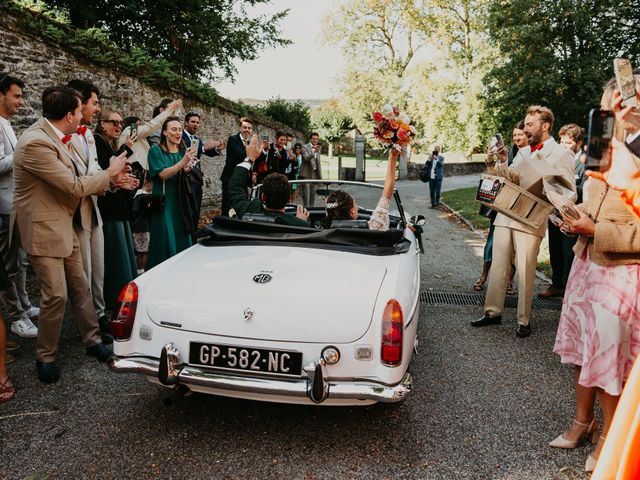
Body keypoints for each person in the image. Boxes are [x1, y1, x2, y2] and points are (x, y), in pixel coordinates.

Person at [12, 85, 132, 383]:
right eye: (81, 110)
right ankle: (46, 356)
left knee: (81, 286)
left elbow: (82, 177)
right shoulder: (35, 143)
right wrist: (112, 171)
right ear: (69, 115)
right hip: (43, 228)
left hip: (68, 221)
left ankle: (92, 340)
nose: (86, 114)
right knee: (56, 295)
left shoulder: (59, 135)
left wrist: (111, 182)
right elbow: (74, 186)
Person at [550, 78, 640, 473]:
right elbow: (595, 198)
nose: (621, 106)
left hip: (623, 272)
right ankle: (581, 422)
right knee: (583, 349)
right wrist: (575, 217)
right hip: (587, 264)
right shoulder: (605, 147)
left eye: (628, 98)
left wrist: (597, 230)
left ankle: (609, 437)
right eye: (613, 100)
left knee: (609, 360)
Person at [472, 105, 575, 338]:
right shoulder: (523, 150)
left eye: (530, 124)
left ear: (545, 125)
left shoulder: (562, 153)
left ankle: (524, 320)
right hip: (505, 215)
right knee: (498, 267)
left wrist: (545, 179)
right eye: (525, 124)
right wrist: (494, 164)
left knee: (525, 272)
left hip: (531, 219)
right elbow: (510, 176)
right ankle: (492, 313)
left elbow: (569, 191)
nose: (525, 128)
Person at [66, 79, 109, 340]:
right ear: (80, 103)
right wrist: (108, 178)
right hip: (75, 213)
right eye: (94, 103)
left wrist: (113, 179)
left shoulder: (89, 135)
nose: (98, 108)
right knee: (84, 273)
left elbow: (94, 172)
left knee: (99, 269)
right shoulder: (64, 136)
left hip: (94, 206)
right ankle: (88, 324)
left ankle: (101, 315)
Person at [0, 73, 39, 340]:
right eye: (16, 95)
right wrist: (22, 152)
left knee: (19, 262)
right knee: (8, 265)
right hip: (2, 207)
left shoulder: (7, 124)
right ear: (0, 95)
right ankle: (16, 317)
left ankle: (23, 305)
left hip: (14, 205)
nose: (21, 102)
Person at [94, 110, 138, 311]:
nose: (118, 126)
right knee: (115, 255)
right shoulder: (97, 141)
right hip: (109, 207)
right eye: (114, 122)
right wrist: (126, 150)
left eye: (120, 123)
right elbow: (106, 168)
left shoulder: (109, 144)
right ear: (102, 124)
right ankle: (115, 298)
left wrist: (125, 169)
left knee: (124, 252)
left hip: (119, 205)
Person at [539, 123, 586, 298]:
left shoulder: (585, 163)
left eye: (568, 143)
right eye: (562, 142)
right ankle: (556, 284)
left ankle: (568, 289)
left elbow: (584, 189)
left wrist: (569, 190)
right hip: (555, 213)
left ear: (579, 142)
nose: (564, 146)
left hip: (574, 216)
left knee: (569, 253)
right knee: (555, 250)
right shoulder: (557, 159)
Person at [146, 117, 197, 269]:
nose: (178, 133)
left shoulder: (183, 151)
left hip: (180, 202)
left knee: (181, 236)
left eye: (180, 129)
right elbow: (162, 175)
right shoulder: (155, 150)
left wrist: (188, 169)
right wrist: (182, 163)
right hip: (164, 202)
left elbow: (183, 175)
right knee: (165, 238)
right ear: (165, 132)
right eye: (174, 129)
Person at [229, 134, 310, 227]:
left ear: (263, 197)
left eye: (285, 140)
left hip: (279, 176)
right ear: (288, 199)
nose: (283, 142)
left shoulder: (249, 212)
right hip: (270, 174)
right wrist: (299, 222)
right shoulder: (299, 225)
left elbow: (235, 186)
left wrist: (249, 159)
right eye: (281, 139)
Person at [474, 130, 517, 294]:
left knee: (512, 246)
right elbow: (489, 176)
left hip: (515, 207)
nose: (517, 138)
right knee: (491, 243)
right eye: (514, 135)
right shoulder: (500, 158)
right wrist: (489, 158)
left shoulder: (519, 155)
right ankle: (484, 275)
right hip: (499, 208)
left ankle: (510, 280)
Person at [323, 148, 399, 231]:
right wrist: (393, 157)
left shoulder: (322, 234)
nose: (357, 208)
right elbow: (386, 196)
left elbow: (331, 214)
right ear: (352, 210)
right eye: (355, 204)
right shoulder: (374, 228)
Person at [181, 112, 225, 226]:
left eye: (197, 122)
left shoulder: (197, 139)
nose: (195, 124)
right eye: (193, 122)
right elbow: (194, 151)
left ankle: (194, 234)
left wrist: (217, 149)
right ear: (186, 122)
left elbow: (205, 152)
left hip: (196, 178)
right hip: (185, 178)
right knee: (187, 210)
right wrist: (204, 147)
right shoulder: (180, 137)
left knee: (196, 209)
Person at [118, 99, 181, 170]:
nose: (141, 127)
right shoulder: (129, 131)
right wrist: (169, 110)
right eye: (138, 125)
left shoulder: (142, 139)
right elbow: (149, 127)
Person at [221, 117, 254, 216]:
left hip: (242, 179)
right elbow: (241, 155)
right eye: (244, 127)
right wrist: (252, 151)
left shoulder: (249, 143)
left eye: (249, 128)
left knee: (240, 205)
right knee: (228, 205)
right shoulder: (233, 139)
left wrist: (252, 174)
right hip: (230, 178)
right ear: (240, 128)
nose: (246, 130)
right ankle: (224, 226)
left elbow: (250, 162)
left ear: (251, 130)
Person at [131, 176, 152, 273]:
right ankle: (141, 272)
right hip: (142, 228)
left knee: (142, 252)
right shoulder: (142, 197)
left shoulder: (138, 195)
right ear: (147, 183)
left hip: (139, 227)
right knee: (143, 252)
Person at [300, 132, 323, 207]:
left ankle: (312, 213)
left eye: (316, 139)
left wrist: (320, 177)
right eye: (313, 139)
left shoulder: (318, 148)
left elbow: (318, 162)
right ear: (310, 139)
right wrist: (314, 152)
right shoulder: (304, 147)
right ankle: (305, 214)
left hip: (314, 175)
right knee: (306, 196)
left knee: (312, 196)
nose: (315, 140)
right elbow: (306, 158)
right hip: (306, 174)